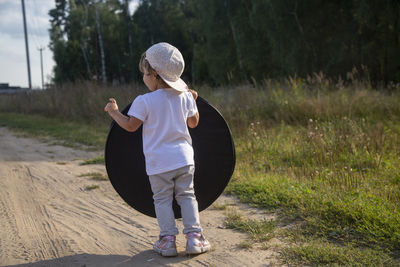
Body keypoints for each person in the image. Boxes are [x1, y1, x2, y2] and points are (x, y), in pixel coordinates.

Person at [104, 42, 211, 257]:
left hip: (158, 163)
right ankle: (194, 239)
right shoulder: (186, 96)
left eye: (144, 74)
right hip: (184, 159)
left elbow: (131, 126)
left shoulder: (144, 101)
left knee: (162, 200)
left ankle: (167, 242)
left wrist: (114, 112)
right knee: (188, 196)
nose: (143, 78)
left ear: (154, 74)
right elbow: (194, 123)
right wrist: (193, 100)